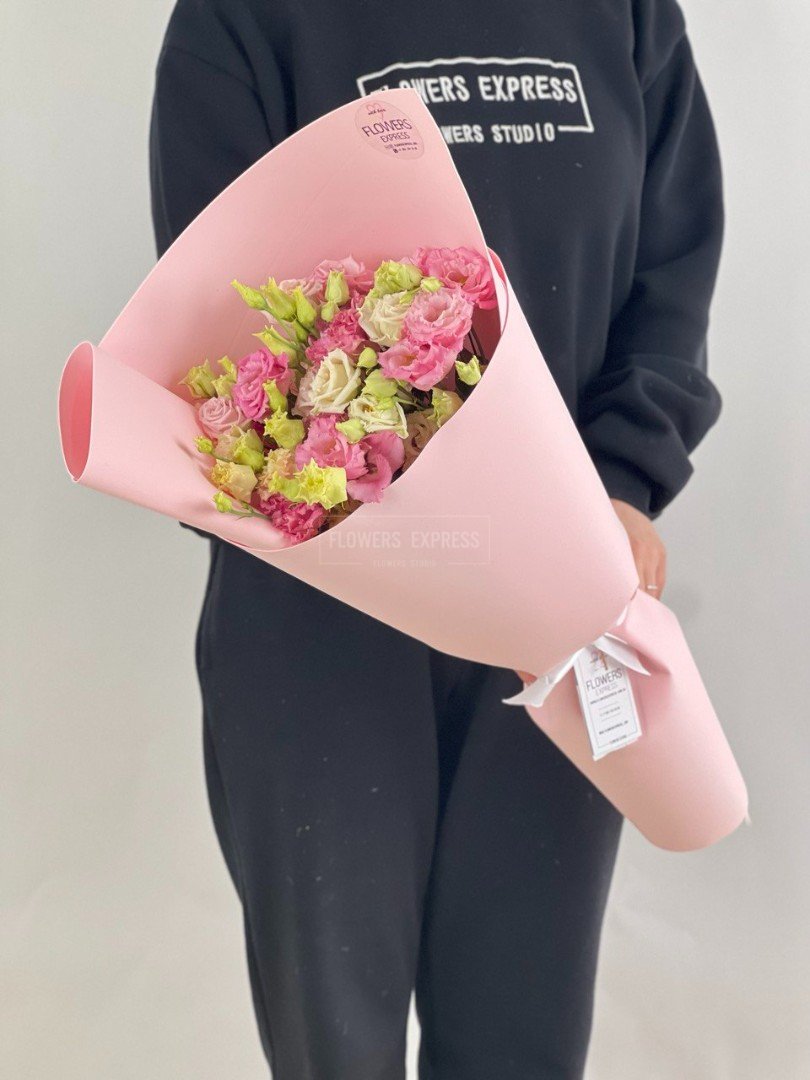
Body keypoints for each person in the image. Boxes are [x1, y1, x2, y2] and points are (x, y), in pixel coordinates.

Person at [148, 1, 724, 1076]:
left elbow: (671, 270)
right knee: (336, 1048)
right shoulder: (245, 15)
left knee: (523, 1040)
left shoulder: (626, 13)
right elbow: (208, 315)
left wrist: (623, 483)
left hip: (558, 601)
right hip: (321, 615)